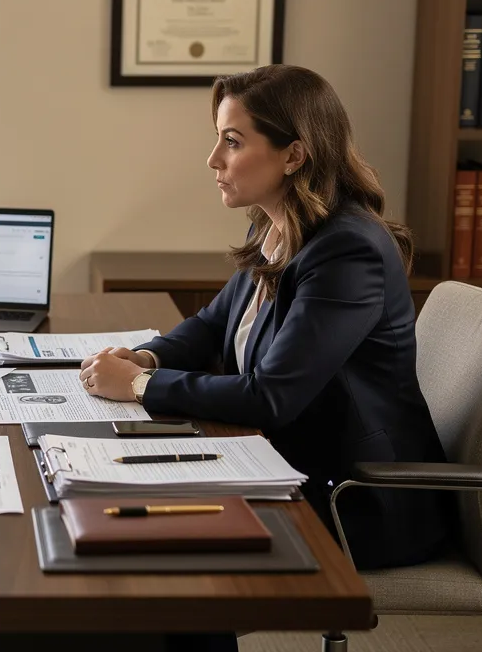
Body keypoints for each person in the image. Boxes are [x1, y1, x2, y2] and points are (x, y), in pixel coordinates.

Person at [80, 64, 451, 575]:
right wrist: (146, 355)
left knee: (152, 545)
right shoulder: (276, 226)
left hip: (349, 497)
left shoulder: (347, 250)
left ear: (294, 155)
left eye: (232, 142)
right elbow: (211, 325)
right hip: (281, 460)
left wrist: (141, 385)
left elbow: (271, 397)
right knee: (119, 510)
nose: (213, 160)